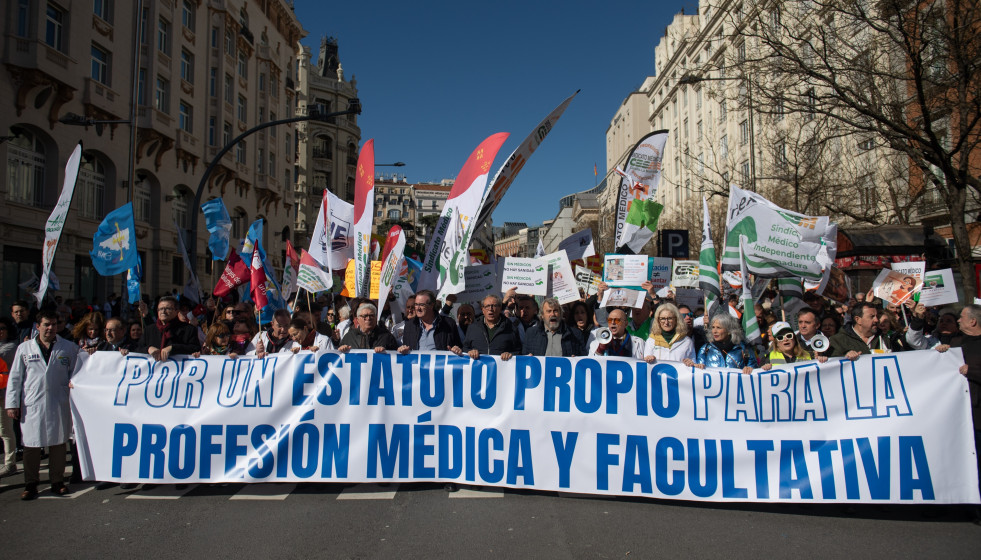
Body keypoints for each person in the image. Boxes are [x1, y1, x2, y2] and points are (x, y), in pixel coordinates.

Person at [5, 309, 80, 499]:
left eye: (54, 324)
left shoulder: (68, 347)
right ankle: (31, 484)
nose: (50, 328)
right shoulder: (24, 349)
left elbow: (77, 374)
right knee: (31, 445)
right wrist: (12, 404)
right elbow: (15, 378)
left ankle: (57, 481)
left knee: (58, 444)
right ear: (38, 326)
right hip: (32, 404)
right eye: (46, 324)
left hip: (58, 402)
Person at [136, 296, 202, 360]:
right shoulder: (149, 330)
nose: (163, 311)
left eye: (168, 308)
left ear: (176, 311)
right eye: (160, 309)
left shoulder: (188, 329)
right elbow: (137, 350)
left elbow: (195, 348)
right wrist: (148, 349)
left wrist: (173, 348)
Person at [690, 313, 759, 374]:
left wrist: (750, 369)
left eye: (718, 328)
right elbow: (699, 373)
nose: (714, 331)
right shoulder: (705, 349)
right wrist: (697, 366)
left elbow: (755, 371)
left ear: (729, 330)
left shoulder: (744, 349)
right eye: (713, 327)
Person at [398, 290, 462, 355]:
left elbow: (459, 348)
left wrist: (456, 349)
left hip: (439, 361)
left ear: (431, 305)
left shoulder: (448, 324)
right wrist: (402, 349)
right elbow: (405, 350)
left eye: (422, 305)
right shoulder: (410, 325)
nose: (418, 308)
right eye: (416, 304)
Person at [828, 301, 895, 360]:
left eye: (876, 316)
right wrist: (845, 357)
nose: (876, 320)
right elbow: (832, 364)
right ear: (858, 320)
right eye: (872, 317)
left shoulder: (884, 338)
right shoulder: (838, 340)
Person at [463, 295, 521, 360]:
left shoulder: (510, 327)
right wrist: (470, 352)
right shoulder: (473, 327)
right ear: (482, 310)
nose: (490, 309)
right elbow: (465, 348)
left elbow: (518, 351)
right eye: (487, 306)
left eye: (494, 306)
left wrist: (510, 354)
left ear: (500, 308)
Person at [761, 321, 827, 370]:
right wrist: (764, 369)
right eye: (780, 338)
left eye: (789, 336)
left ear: (794, 338)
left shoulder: (808, 355)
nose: (785, 339)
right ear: (776, 343)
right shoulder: (767, 359)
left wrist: (822, 361)